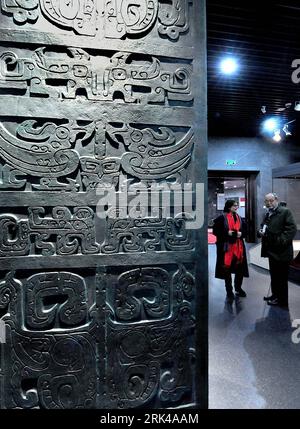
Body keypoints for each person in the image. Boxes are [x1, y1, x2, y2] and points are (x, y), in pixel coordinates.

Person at [258, 193, 297, 308]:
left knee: (281, 278)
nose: (268, 203)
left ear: (276, 200)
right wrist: (260, 232)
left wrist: (281, 241)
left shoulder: (285, 211)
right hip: (271, 252)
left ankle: (282, 301)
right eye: (266, 201)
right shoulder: (268, 213)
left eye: (271, 200)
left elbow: (292, 229)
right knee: (274, 276)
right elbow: (263, 226)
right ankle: (275, 295)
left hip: (282, 252)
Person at [213, 199, 249, 300]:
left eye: (237, 205)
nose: (236, 207)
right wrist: (226, 233)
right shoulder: (221, 218)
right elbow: (215, 231)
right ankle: (229, 290)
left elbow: (245, 231)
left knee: (240, 270)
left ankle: (238, 288)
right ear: (229, 207)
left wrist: (241, 234)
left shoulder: (240, 218)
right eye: (234, 206)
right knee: (226, 270)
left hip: (239, 248)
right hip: (226, 248)